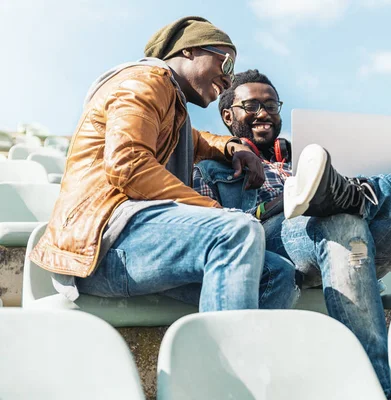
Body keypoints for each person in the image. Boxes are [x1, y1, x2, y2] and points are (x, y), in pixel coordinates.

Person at [194, 69, 391, 399]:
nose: (264, 112)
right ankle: (378, 388)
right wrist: (282, 202)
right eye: (251, 105)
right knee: (339, 220)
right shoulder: (210, 169)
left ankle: (355, 193)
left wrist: (336, 191)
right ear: (227, 115)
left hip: (353, 246)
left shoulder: (305, 154)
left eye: (271, 104)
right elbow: (219, 233)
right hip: (279, 246)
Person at [29, 17, 297, 313]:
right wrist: (215, 212)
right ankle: (224, 358)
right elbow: (128, 166)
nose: (228, 81)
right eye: (226, 65)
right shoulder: (145, 82)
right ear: (189, 51)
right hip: (103, 247)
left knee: (276, 273)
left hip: (137, 241)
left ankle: (240, 357)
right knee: (236, 229)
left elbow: (198, 140)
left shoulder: (172, 107)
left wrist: (231, 146)